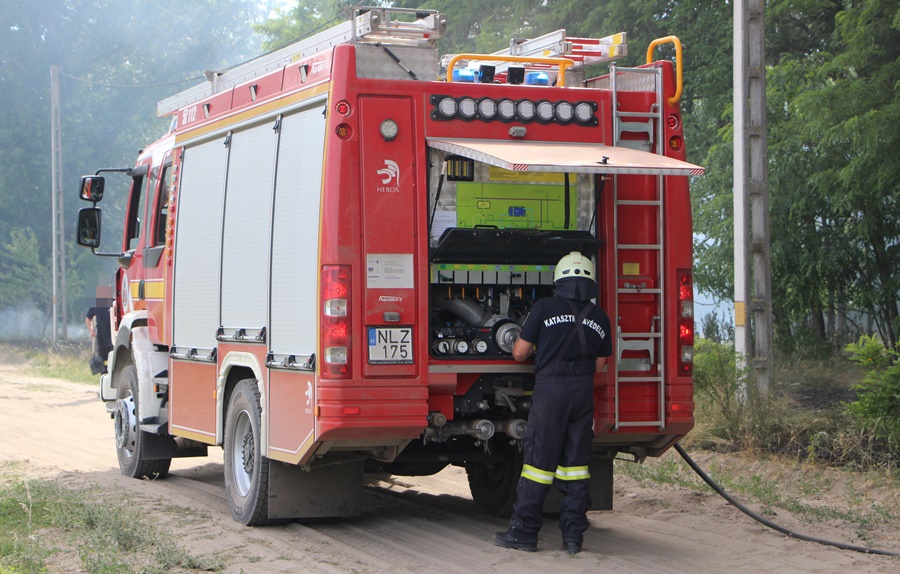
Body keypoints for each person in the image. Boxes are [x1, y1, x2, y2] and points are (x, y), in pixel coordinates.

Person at [494, 251, 612, 554]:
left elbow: (519, 352)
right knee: (576, 465)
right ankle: (573, 537)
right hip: (582, 394)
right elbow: (601, 364)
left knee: (538, 465)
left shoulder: (544, 307)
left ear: (559, 280)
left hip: (551, 392)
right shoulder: (600, 317)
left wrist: (542, 348)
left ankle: (524, 533)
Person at [85, 290, 114, 374]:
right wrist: (91, 331)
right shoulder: (96, 304)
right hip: (102, 336)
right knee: (103, 358)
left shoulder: (114, 303)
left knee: (113, 357)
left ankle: (113, 374)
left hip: (113, 335)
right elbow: (88, 318)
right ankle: (104, 374)